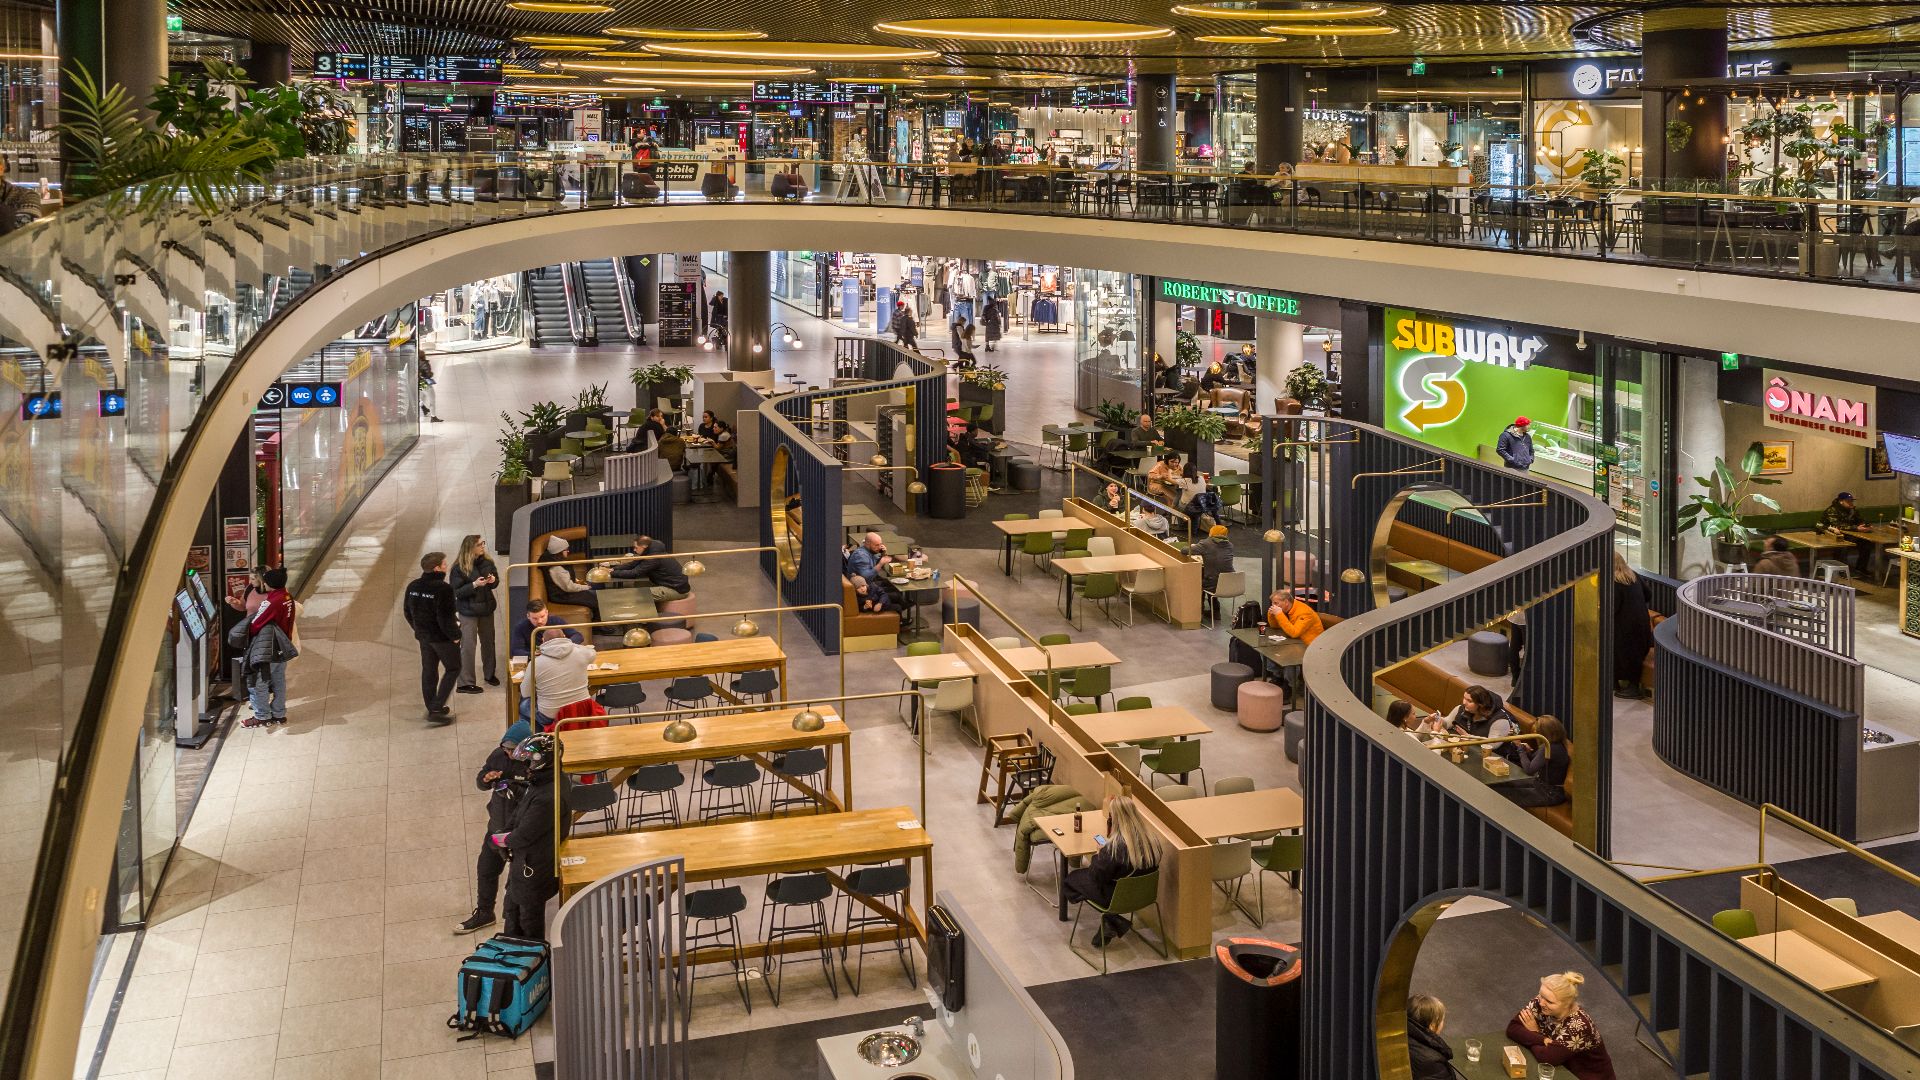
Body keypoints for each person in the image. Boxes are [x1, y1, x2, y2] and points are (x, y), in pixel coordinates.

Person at [455, 719, 531, 934]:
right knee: (486, 869)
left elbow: (538, 796)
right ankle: (485, 912)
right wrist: (487, 779)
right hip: (496, 827)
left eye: (512, 750)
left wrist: (517, 787)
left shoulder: (533, 764)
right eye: (505, 748)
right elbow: (481, 780)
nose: (508, 754)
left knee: (516, 880)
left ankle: (515, 925)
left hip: (519, 833)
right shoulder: (498, 756)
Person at [1064, 794, 1162, 946]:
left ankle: (1113, 919)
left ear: (1115, 819)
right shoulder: (1153, 840)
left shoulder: (1114, 848)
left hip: (1117, 897)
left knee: (1071, 880)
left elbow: (1097, 876)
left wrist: (1098, 855)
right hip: (1145, 895)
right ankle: (1111, 921)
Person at [498, 733, 568, 941]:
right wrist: (505, 833)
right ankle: (512, 954)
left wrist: (500, 840)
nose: (525, 766)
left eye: (529, 761)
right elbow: (521, 812)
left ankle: (533, 964)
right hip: (524, 863)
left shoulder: (549, 795)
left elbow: (525, 834)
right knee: (511, 910)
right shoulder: (542, 782)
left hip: (535, 867)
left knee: (529, 922)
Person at [1506, 971, 1617, 1080]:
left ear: (1567, 1004)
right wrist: (1543, 1039)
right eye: (1541, 995)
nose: (1541, 1003)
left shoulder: (1578, 1026)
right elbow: (1513, 1028)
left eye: (1549, 1001)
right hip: (1564, 1069)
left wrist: (1534, 1032)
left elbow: (1547, 1058)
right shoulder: (1541, 1003)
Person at [403, 551, 462, 722]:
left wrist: (418, 629)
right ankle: (436, 708)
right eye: (444, 564)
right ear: (437, 568)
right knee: (453, 668)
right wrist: (455, 635)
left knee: (429, 670)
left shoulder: (413, 586)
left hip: (423, 637)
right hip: (441, 638)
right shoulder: (443, 589)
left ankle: (431, 706)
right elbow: (445, 617)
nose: (446, 566)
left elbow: (407, 612)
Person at [242, 567, 296, 727]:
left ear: (268, 584)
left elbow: (255, 624)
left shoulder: (271, 601)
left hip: (269, 648)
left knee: (260, 682)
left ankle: (262, 716)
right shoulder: (287, 596)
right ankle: (279, 713)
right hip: (283, 646)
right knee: (279, 680)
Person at [450, 535, 500, 694]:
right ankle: (465, 683)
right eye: (479, 544)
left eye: (483, 543)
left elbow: (496, 581)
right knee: (468, 646)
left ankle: (489, 674)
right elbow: (456, 592)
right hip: (468, 612)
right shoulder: (459, 568)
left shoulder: (488, 562)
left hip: (486, 609)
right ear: (470, 548)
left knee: (489, 643)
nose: (483, 546)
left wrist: (493, 581)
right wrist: (474, 585)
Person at [529, 626, 594, 728]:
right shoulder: (582, 652)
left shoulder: (536, 663)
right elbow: (592, 653)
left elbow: (526, 692)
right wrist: (571, 645)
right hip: (582, 710)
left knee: (524, 704)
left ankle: (538, 737)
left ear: (542, 641)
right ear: (564, 636)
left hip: (551, 715)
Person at [1504, 715, 1571, 809]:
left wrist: (1520, 748)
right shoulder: (1557, 745)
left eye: (1537, 731)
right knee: (1505, 782)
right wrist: (1527, 751)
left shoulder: (1549, 747)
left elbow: (1529, 770)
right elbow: (1535, 762)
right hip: (1541, 784)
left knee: (1503, 794)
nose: (1534, 734)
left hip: (1549, 793)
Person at [1613, 551, 1653, 700]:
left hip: (1626, 632)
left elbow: (1612, 608)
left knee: (1615, 647)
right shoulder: (1633, 575)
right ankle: (1619, 682)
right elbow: (1648, 594)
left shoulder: (1614, 583)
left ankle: (1632, 687)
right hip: (1643, 628)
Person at [610, 534, 690, 601]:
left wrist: (610, 574)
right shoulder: (651, 551)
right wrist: (614, 569)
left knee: (638, 595)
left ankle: (645, 616)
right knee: (639, 584)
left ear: (644, 546)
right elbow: (633, 564)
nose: (634, 550)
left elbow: (634, 573)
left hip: (677, 590)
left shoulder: (653, 558)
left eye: (636, 547)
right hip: (673, 585)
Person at [539, 534, 600, 618]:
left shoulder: (554, 560)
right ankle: (599, 625)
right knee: (596, 596)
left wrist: (578, 582)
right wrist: (585, 587)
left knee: (596, 587)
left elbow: (565, 580)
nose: (568, 551)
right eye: (566, 550)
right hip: (562, 596)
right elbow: (569, 587)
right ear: (559, 551)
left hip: (564, 591)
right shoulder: (556, 568)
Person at [510, 599, 581, 659]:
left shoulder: (556, 621)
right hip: (536, 661)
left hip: (558, 658)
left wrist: (564, 646)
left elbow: (578, 636)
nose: (539, 621)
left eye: (542, 616)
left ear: (547, 612)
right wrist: (531, 654)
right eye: (535, 618)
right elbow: (516, 650)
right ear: (528, 616)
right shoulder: (521, 627)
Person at [1406, 994, 1455, 1080]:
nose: (1443, 1023)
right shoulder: (1433, 1062)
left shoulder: (1400, 1037)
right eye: (1442, 1020)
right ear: (1432, 1025)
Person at [1192, 524, 1235, 618]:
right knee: (1213, 578)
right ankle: (1216, 612)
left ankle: (1199, 612)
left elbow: (1185, 550)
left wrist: (1194, 546)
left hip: (1214, 583)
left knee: (1199, 583)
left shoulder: (1206, 543)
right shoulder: (1230, 545)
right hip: (1231, 584)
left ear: (1211, 532)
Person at [1447, 684, 1518, 742]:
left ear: (1481, 705)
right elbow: (1447, 722)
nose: (1464, 702)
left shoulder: (1500, 721)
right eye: (1464, 698)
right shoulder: (1462, 709)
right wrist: (1439, 720)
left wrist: (1469, 737)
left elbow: (1493, 744)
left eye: (1469, 701)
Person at [419, 351, 443, 423]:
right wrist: (431, 374)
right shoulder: (425, 364)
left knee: (422, 397)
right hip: (425, 383)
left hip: (419, 383)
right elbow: (428, 375)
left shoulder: (415, 362)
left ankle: (423, 408)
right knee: (432, 399)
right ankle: (433, 417)